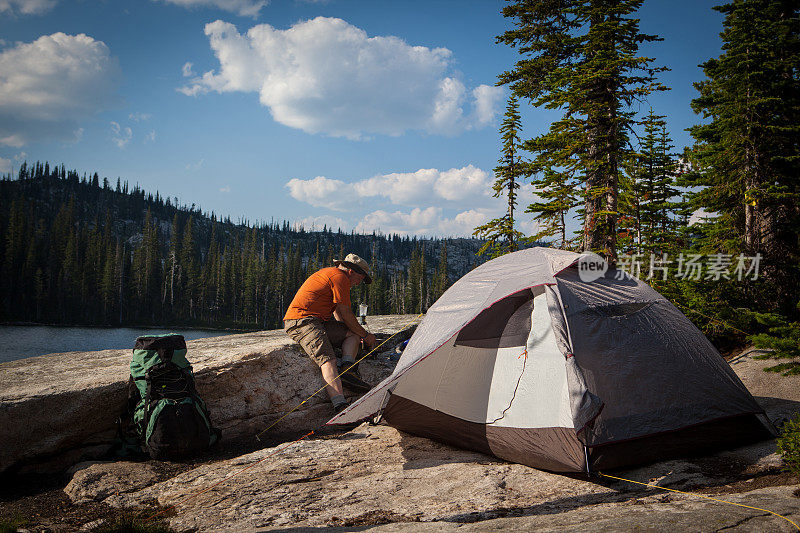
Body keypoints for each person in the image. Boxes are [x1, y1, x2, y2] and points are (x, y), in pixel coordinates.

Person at [283, 253, 377, 413]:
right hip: (302, 321)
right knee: (328, 360)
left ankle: (348, 369)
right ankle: (340, 406)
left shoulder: (334, 275)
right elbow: (347, 313)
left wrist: (350, 332)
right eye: (360, 279)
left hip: (319, 322)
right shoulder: (339, 278)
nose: (358, 283)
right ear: (351, 272)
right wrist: (366, 336)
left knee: (351, 334)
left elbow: (340, 312)